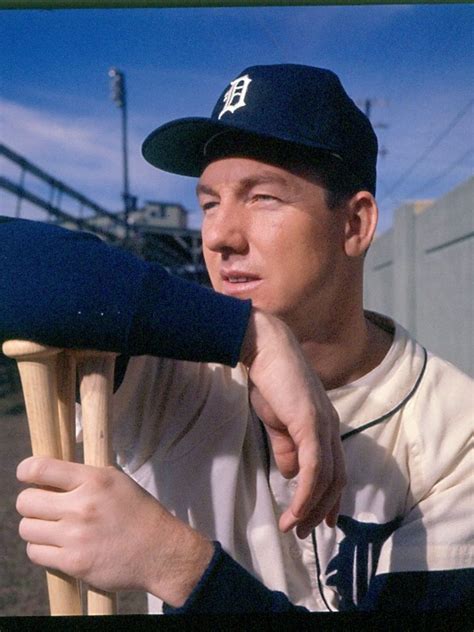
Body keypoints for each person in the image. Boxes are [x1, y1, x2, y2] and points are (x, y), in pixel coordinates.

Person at [7, 64, 473, 613]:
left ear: (355, 225)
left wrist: (174, 563)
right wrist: (250, 334)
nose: (220, 236)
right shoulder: (175, 366)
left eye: (263, 198)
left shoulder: (456, 431)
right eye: (209, 203)